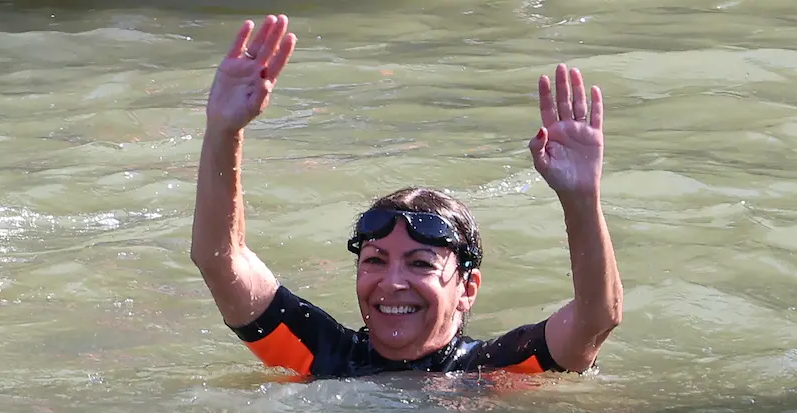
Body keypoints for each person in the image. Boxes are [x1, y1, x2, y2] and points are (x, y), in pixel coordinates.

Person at [191, 15, 623, 379]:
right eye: (375, 261)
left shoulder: (494, 372)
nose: (392, 283)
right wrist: (224, 131)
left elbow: (595, 318)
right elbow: (219, 258)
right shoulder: (321, 356)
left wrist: (581, 198)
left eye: (420, 264)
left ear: (468, 288)